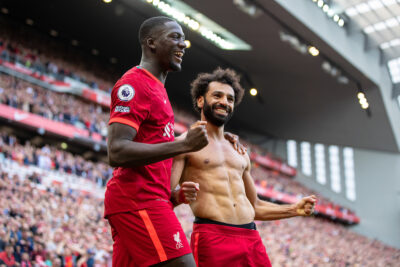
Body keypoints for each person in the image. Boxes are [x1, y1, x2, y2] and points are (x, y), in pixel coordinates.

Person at [105, 17, 242, 267]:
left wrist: (173, 195)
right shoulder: (135, 84)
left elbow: (152, 152)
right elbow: (117, 151)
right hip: (139, 201)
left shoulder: (157, 89)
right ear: (151, 43)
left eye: (183, 39)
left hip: (146, 200)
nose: (183, 44)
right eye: (174, 37)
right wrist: (183, 145)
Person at [171, 68, 317, 267]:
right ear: (200, 101)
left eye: (230, 99)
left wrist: (294, 209)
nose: (225, 102)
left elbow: (254, 206)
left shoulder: (239, 151)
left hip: (251, 237)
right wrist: (180, 195)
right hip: (213, 238)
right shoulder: (184, 144)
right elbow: (163, 200)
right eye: (217, 95)